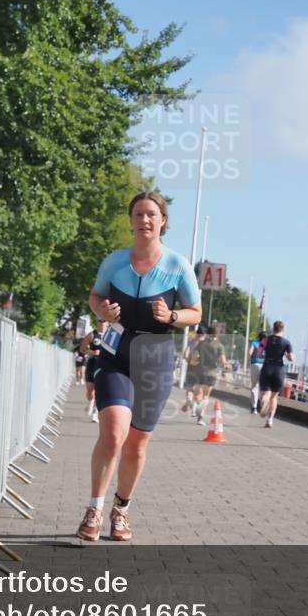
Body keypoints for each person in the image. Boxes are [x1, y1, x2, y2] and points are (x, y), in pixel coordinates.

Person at [77, 191, 202, 542]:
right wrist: (102, 311)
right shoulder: (114, 262)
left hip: (155, 359)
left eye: (151, 214)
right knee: (114, 432)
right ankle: (95, 507)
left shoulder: (178, 265)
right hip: (116, 353)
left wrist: (173, 315)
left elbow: (197, 312)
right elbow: (95, 295)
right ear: (131, 220)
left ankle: (121, 509)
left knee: (137, 443)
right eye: (138, 214)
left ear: (163, 221)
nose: (144, 220)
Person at [258, 320, 294, 428]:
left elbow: (259, 354)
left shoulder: (265, 340)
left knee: (265, 395)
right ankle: (270, 420)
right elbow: (291, 358)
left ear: (273, 328)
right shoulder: (286, 342)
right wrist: (286, 356)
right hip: (278, 369)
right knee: (274, 397)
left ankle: (264, 404)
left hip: (267, 367)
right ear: (282, 329)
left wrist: (266, 355)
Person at [193, 328, 228, 425]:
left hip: (200, 371)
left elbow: (195, 357)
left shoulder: (201, 343)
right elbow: (223, 361)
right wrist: (226, 366)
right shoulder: (220, 346)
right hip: (212, 373)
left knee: (199, 393)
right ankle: (200, 418)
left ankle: (198, 405)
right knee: (206, 396)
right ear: (217, 335)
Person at [80, 320, 107, 422]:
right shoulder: (92, 335)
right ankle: (90, 402)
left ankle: (95, 413)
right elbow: (82, 349)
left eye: (104, 322)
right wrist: (92, 352)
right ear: (97, 323)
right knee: (90, 390)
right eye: (100, 322)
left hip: (104, 365)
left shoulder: (111, 335)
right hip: (92, 364)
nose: (102, 324)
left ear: (107, 323)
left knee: (99, 390)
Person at [180, 327, 205, 417]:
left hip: (191, 369)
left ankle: (189, 401)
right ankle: (195, 409)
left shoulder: (192, 342)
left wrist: (189, 362)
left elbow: (185, 355)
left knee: (190, 389)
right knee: (199, 392)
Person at [248, 330, 267, 414]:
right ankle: (262, 406)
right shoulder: (267, 345)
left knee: (254, 386)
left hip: (255, 365)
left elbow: (250, 352)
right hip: (264, 366)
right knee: (263, 387)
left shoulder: (254, 343)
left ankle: (254, 407)